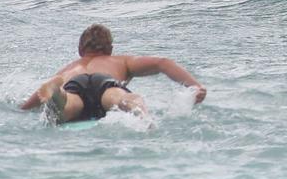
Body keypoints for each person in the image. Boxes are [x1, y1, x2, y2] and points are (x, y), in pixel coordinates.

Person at [20, 24, 206, 123]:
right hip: (105, 82)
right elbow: (162, 63)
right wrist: (194, 86)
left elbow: (33, 102)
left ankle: (58, 95)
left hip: (74, 84)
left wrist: (24, 108)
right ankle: (142, 115)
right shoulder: (119, 61)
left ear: (80, 49)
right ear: (110, 49)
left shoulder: (68, 69)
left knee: (65, 108)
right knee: (121, 98)